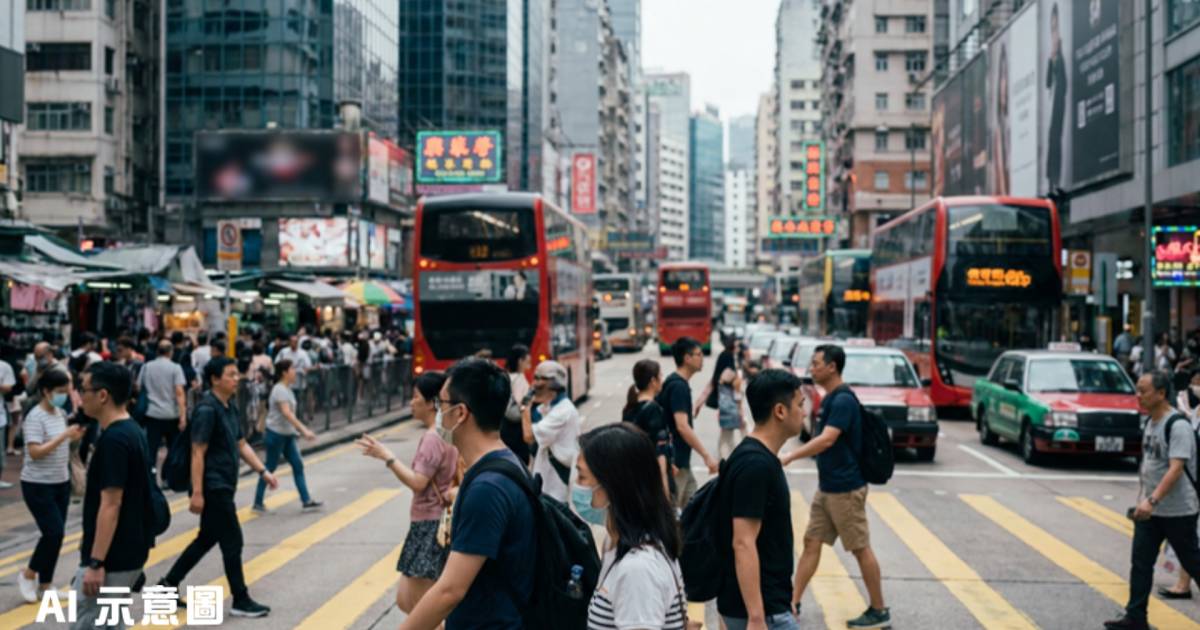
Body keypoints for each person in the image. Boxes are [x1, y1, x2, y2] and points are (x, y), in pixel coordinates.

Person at [399, 358, 535, 630]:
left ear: (461, 413)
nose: (438, 412)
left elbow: (449, 591)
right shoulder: (506, 462)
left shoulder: (488, 488)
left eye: (442, 404)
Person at [158, 357, 278, 618]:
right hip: (213, 486)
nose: (237, 379)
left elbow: (241, 443)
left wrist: (263, 471)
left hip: (224, 483)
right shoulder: (207, 410)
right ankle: (241, 598)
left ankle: (166, 586)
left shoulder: (229, 407)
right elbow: (197, 452)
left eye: (237, 374)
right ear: (214, 379)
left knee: (206, 539)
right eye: (231, 374)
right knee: (233, 541)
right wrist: (198, 492)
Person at [781, 344, 890, 629]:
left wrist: (792, 455)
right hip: (828, 487)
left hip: (845, 488)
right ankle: (793, 603)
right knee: (811, 542)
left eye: (816, 363)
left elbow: (828, 438)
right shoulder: (830, 398)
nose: (811, 368)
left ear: (832, 367)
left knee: (860, 548)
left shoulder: (842, 400)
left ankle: (879, 610)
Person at [357, 371, 459, 615]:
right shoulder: (450, 433)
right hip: (438, 523)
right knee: (416, 601)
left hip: (429, 526)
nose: (411, 403)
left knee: (415, 602)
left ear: (432, 402)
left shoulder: (432, 439)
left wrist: (388, 457)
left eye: (415, 397)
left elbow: (418, 482)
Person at [1105, 371, 1200, 630]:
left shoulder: (1177, 426)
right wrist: (1142, 502)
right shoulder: (1150, 423)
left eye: (1143, 390)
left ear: (1161, 393)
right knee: (1141, 563)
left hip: (1178, 510)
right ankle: (1136, 618)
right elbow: (1150, 466)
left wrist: (1153, 501)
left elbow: (1176, 468)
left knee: (1193, 562)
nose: (1138, 395)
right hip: (1150, 511)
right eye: (1137, 389)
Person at [718, 369, 806, 630]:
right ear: (780, 411)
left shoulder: (755, 456)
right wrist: (756, 617)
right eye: (800, 405)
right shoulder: (756, 465)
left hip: (769, 605)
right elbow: (743, 542)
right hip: (762, 614)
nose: (804, 411)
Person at [577, 423, 687, 629]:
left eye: (582, 477)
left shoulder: (638, 570)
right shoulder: (619, 543)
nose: (577, 485)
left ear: (613, 485)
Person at [71, 362, 150, 630]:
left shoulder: (114, 441)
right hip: (129, 551)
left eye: (84, 389)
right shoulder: (133, 431)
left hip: (112, 558)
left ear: (102, 395)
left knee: (89, 624)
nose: (81, 395)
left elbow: (111, 506)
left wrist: (95, 563)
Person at [17, 368, 84, 602]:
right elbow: (34, 452)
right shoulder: (35, 416)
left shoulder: (60, 413)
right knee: (53, 532)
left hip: (60, 481)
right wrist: (63, 436)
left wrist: (74, 439)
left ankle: (46, 586)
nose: (64, 396)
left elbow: (64, 448)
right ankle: (28, 575)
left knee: (57, 534)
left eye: (66, 391)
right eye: (59, 391)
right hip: (37, 484)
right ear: (46, 391)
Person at [657, 337, 719, 509]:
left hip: (680, 461)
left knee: (693, 509)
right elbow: (682, 426)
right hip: (676, 463)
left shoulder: (674, 382)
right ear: (687, 358)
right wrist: (706, 455)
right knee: (672, 513)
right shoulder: (679, 387)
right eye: (698, 354)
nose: (702, 359)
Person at [252, 360, 322, 512]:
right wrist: (304, 430)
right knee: (269, 467)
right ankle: (257, 503)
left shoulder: (287, 389)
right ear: (284, 372)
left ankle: (306, 500)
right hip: (276, 435)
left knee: (298, 465)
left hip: (287, 435)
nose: (295, 372)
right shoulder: (280, 390)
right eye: (292, 369)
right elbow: (286, 413)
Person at [529, 360, 581, 502]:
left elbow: (528, 436)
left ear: (555, 386)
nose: (536, 385)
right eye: (536, 378)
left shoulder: (563, 411)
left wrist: (524, 407)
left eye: (543, 379)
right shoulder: (546, 408)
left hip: (557, 487)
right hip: (546, 484)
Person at [621, 359, 673, 498]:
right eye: (660, 376)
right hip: (651, 481)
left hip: (633, 477)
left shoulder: (629, 408)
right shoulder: (654, 410)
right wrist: (665, 494)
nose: (662, 380)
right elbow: (659, 453)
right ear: (653, 381)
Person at [137, 339, 188, 474]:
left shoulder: (146, 367)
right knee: (174, 446)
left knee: (152, 447)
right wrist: (183, 416)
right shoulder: (175, 368)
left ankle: (151, 474)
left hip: (152, 413)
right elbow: (179, 392)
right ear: (171, 352)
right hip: (172, 414)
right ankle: (169, 474)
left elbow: (138, 387)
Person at [1045, 1, 1068, 192]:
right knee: (1051, 144)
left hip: (1058, 114)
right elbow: (1047, 87)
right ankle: (1051, 183)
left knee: (1055, 143)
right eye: (1051, 29)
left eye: (1056, 27)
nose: (1054, 34)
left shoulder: (1061, 60)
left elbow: (1064, 86)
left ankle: (1056, 182)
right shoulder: (1050, 61)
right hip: (1051, 115)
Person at [501, 344, 533, 466]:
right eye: (527, 361)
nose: (529, 364)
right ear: (520, 361)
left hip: (505, 427)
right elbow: (522, 404)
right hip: (517, 429)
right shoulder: (519, 379)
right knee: (521, 461)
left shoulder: (506, 377)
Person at [276, 335, 312, 420]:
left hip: (299, 384)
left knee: (299, 402)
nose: (294, 344)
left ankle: (299, 419)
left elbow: (308, 366)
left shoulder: (303, 353)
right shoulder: (283, 352)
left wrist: (302, 371)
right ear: (289, 342)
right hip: (286, 384)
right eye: (292, 341)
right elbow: (277, 363)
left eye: (296, 342)